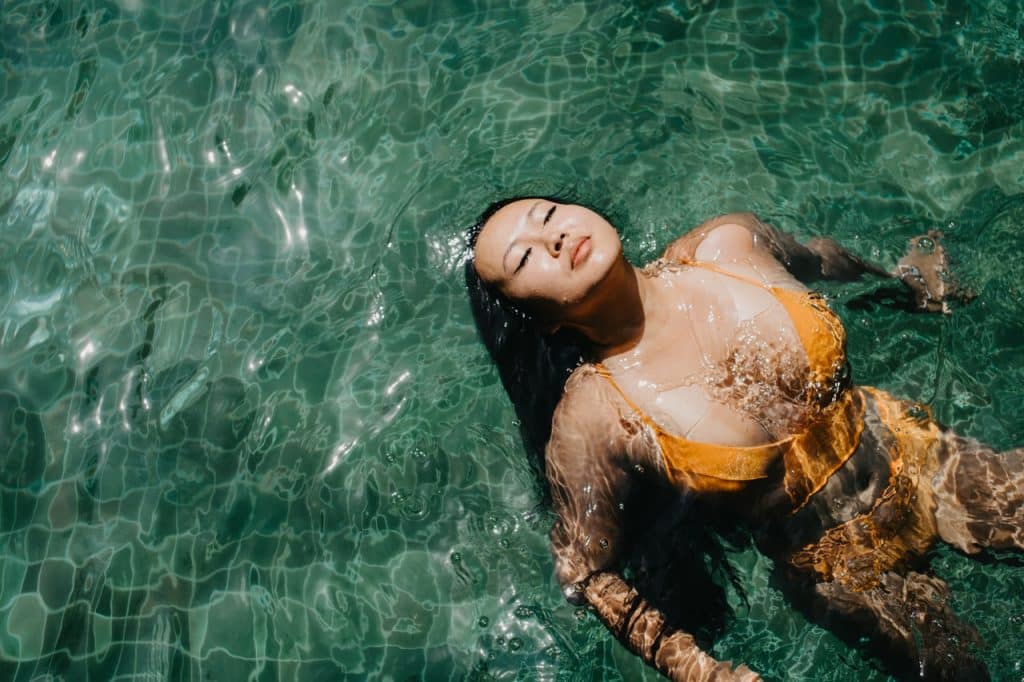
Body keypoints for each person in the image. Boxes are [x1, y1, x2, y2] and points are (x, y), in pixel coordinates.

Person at [464, 197, 1024, 682]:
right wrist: (697, 669)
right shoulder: (595, 416)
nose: (555, 236)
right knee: (962, 670)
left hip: (919, 451)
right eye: (526, 256)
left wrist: (906, 282)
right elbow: (586, 573)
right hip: (843, 567)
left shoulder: (728, 243)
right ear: (540, 323)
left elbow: (819, 258)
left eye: (549, 215)